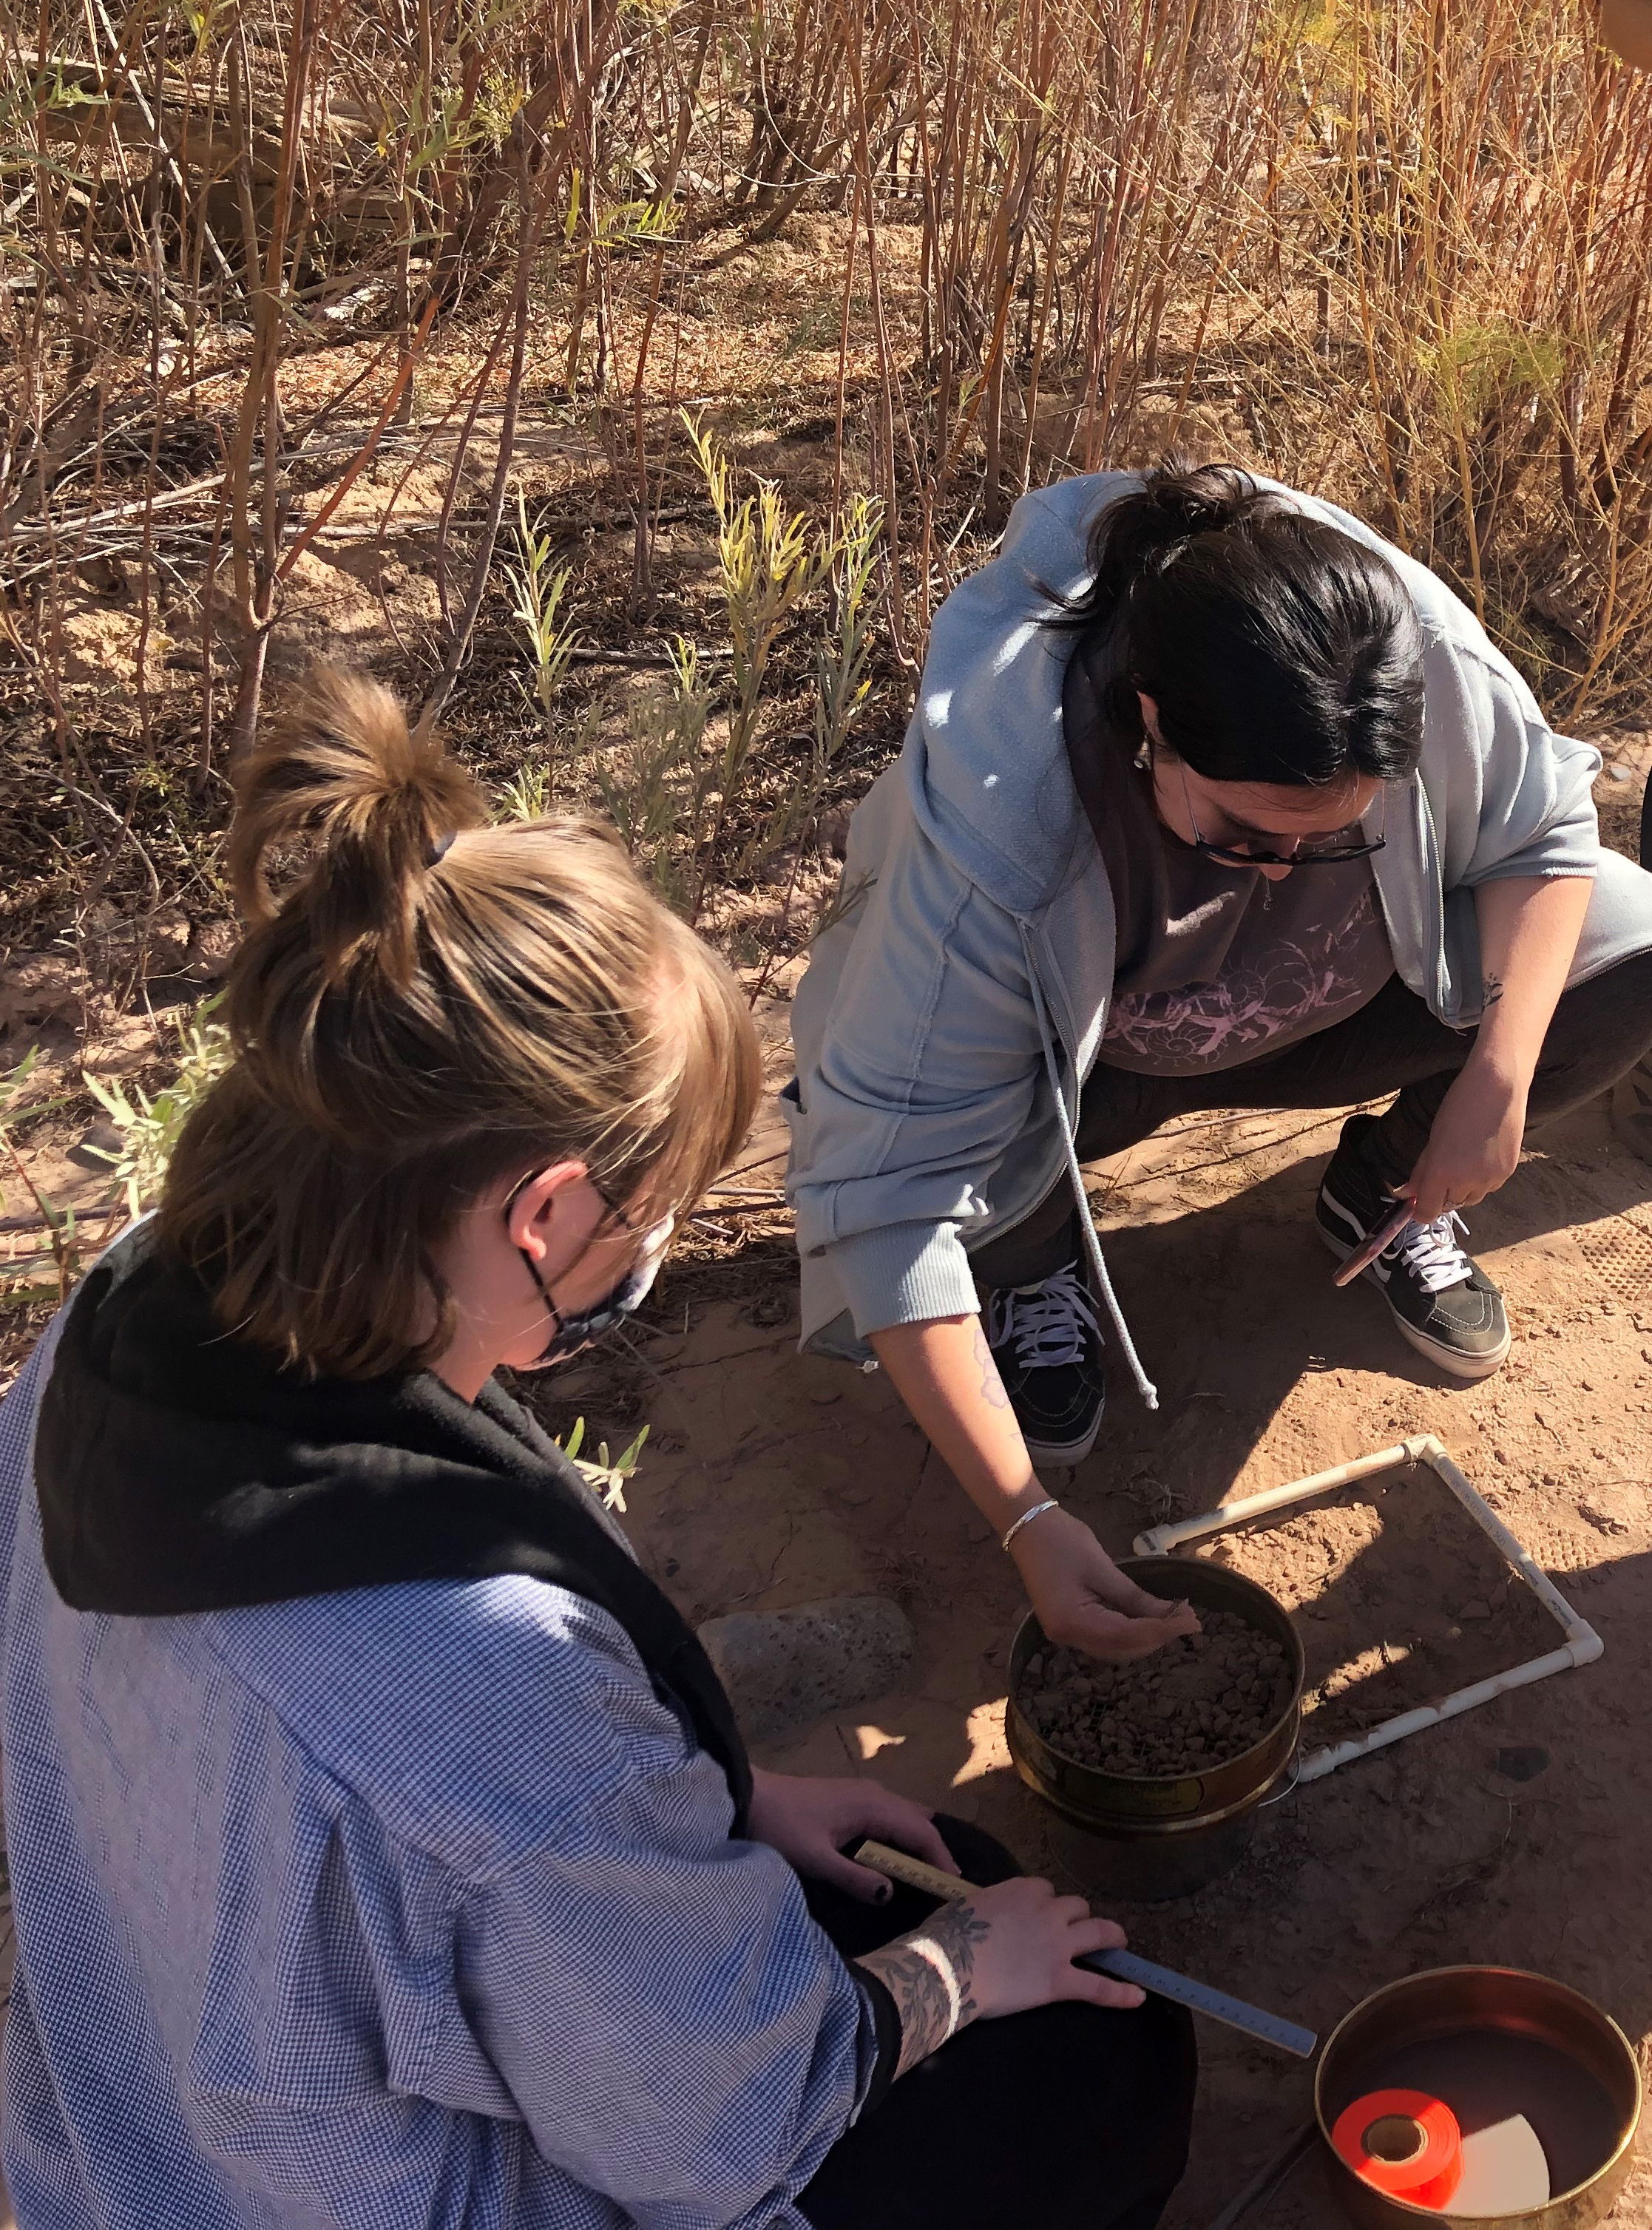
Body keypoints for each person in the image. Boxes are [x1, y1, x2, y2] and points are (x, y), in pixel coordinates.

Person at [0, 665, 1195, 2230]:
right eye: (652, 1221)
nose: (651, 1257)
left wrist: (710, 1792)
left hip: (135, 2116)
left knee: (913, 1857)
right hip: (392, 2190)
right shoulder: (483, 1666)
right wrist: (956, 1973)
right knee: (1106, 2054)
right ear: (548, 1212)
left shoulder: (131, 1295)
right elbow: (721, 2128)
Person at [785, 462, 1652, 1662]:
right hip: (1089, 1073)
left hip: (1332, 1010)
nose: (1266, 871)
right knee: (966, 1153)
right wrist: (1024, 1518)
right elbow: (887, 1191)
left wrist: (1496, 1078)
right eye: (1239, 835)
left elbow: (1544, 831)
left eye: (1330, 836)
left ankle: (1384, 1190)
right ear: (1149, 720)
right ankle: (1037, 1259)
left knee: (1631, 948)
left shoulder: (1398, 660)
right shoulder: (1001, 825)